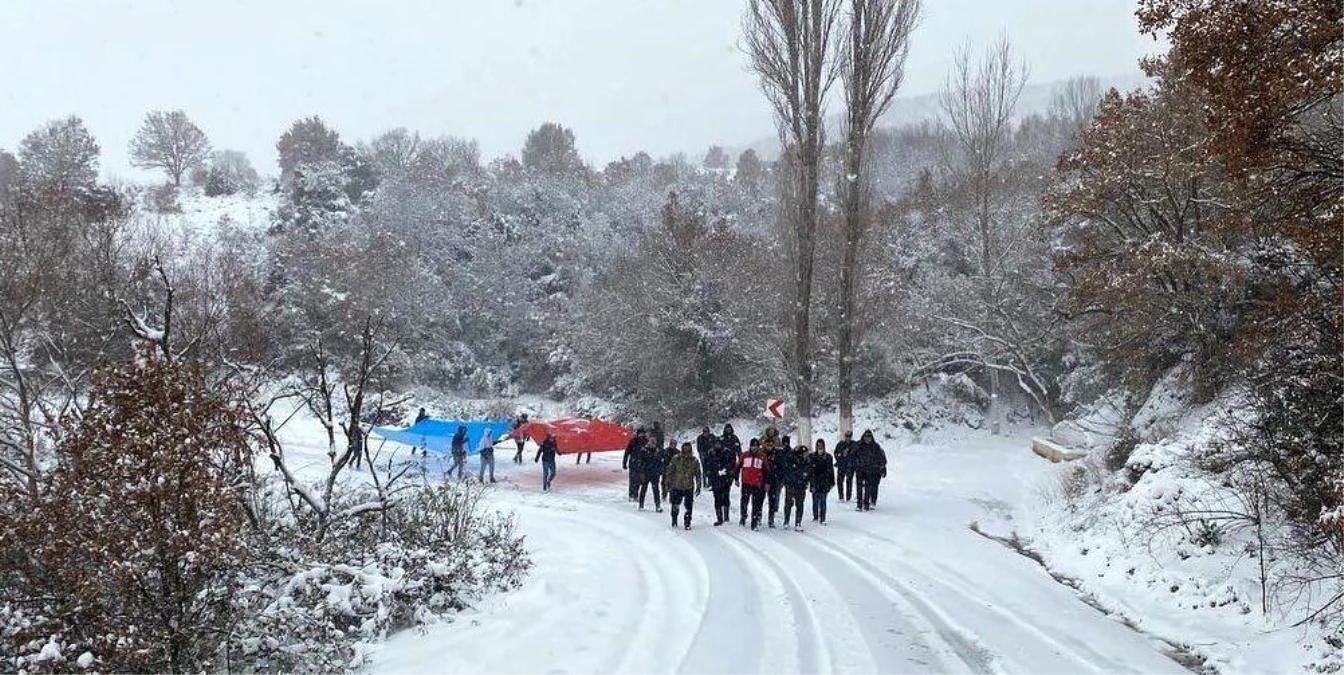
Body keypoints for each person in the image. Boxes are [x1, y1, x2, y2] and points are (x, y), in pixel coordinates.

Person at [663, 442, 702, 530]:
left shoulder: (694, 461)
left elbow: (698, 474)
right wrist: (668, 482)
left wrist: (699, 486)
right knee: (675, 504)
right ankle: (674, 520)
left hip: (688, 486)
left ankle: (687, 522)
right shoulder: (676, 459)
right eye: (685, 449)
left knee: (689, 506)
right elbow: (670, 471)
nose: (686, 451)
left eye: (688, 449)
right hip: (676, 485)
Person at [736, 438, 769, 530]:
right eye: (753, 446)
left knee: (756, 503)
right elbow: (738, 467)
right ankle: (743, 517)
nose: (754, 448)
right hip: (746, 482)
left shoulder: (762, 456)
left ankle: (754, 523)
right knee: (744, 501)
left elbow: (766, 471)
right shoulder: (745, 455)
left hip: (757, 483)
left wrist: (766, 482)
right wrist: (736, 478)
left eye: (756, 446)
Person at [779, 441, 810, 531]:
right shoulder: (791, 459)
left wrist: (805, 480)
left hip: (801, 486)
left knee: (800, 504)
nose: (806, 455)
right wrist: (793, 480)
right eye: (805, 453)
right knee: (789, 503)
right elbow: (788, 472)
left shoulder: (806, 461)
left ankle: (798, 522)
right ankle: (786, 521)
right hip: (791, 485)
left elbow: (808, 471)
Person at [854, 429, 887, 511]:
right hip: (860, 469)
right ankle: (859, 504)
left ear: (872, 437)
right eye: (866, 436)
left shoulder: (875, 447)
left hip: (870, 470)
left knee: (868, 488)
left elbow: (881, 458)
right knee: (859, 488)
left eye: (869, 437)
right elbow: (852, 456)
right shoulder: (858, 445)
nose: (867, 438)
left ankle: (866, 504)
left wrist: (882, 468)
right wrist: (854, 464)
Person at [705, 438, 735, 526]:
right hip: (715, 479)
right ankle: (719, 518)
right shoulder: (711, 453)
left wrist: (726, 470)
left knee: (726, 497)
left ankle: (726, 517)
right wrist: (711, 473)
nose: (718, 446)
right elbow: (707, 465)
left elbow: (732, 463)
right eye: (716, 444)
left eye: (719, 444)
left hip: (725, 479)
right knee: (717, 498)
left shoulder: (728, 453)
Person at [762, 429, 785, 528]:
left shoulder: (777, 454)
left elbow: (781, 467)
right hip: (762, 480)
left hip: (774, 480)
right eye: (767, 444)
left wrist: (779, 477)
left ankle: (771, 520)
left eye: (771, 444)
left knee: (772, 501)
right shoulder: (761, 454)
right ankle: (758, 517)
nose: (769, 446)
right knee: (759, 501)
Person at [810, 439, 835, 525]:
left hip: (824, 482)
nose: (820, 448)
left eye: (821, 446)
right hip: (815, 482)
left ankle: (823, 518)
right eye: (818, 446)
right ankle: (815, 516)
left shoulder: (828, 457)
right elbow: (810, 470)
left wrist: (832, 482)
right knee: (815, 501)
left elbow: (831, 470)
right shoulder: (812, 456)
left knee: (823, 501)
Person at [638, 435, 665, 512]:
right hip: (646, 473)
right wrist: (641, 471)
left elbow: (660, 462)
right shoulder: (644, 451)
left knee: (656, 490)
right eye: (652, 442)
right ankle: (641, 504)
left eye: (654, 443)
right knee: (643, 489)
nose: (653, 444)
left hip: (654, 473)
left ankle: (657, 505)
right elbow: (640, 462)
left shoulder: (658, 451)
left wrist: (660, 471)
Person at [623, 427, 648, 502]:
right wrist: (624, 462)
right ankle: (631, 495)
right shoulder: (633, 441)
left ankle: (636, 495)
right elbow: (627, 452)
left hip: (642, 465)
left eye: (643, 433)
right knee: (632, 480)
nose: (641, 435)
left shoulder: (646, 441)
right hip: (633, 464)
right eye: (640, 433)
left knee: (639, 481)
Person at [834, 430, 856, 502]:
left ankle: (848, 497)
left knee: (849, 481)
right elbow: (836, 453)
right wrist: (842, 455)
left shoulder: (854, 444)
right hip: (841, 465)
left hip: (850, 466)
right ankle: (841, 497)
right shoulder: (840, 444)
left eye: (849, 436)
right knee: (839, 481)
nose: (848, 438)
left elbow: (856, 454)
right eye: (847, 436)